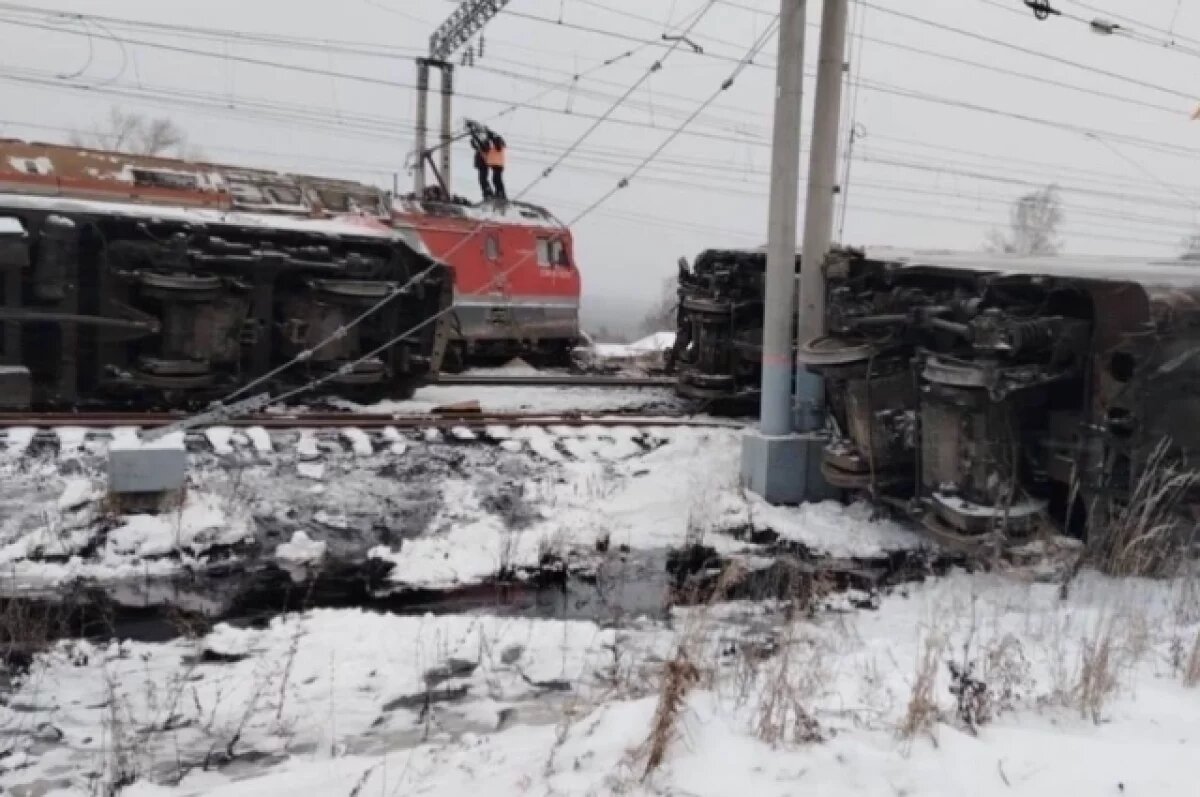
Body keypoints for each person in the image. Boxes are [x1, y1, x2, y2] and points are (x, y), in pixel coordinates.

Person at [467, 123, 493, 200]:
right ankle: (486, 193)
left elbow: (479, 143)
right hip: (481, 166)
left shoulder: (486, 147)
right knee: (481, 180)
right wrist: (472, 140)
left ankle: (488, 193)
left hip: (484, 166)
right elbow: (475, 146)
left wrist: (473, 134)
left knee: (483, 180)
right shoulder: (481, 148)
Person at [486, 131, 507, 201]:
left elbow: (496, 142)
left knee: (497, 179)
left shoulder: (499, 145)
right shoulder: (496, 146)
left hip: (498, 165)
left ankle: (501, 193)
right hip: (496, 165)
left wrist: (491, 137)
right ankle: (499, 192)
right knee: (495, 179)